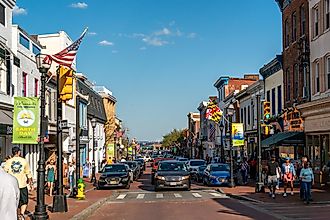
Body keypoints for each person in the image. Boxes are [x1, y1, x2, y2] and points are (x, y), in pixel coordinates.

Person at [4, 146, 33, 219]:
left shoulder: (8, 162)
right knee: (24, 200)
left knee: (12, 200)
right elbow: (28, 172)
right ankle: (22, 214)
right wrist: (30, 182)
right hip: (22, 184)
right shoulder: (24, 161)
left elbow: (5, 172)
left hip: (11, 185)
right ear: (19, 152)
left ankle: (14, 213)